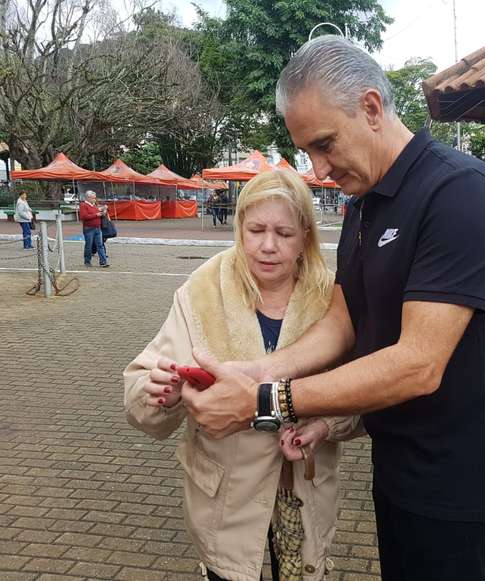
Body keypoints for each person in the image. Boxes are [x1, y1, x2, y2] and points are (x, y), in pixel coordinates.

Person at [181, 35, 485, 581]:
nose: (319, 169)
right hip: (399, 465)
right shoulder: (364, 206)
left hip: (461, 481)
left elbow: (419, 364)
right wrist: (260, 368)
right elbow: (342, 321)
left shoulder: (459, 194)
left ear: (371, 108)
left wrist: (264, 399)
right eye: (308, 152)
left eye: (326, 144)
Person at [124, 168, 358, 581]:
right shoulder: (202, 291)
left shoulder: (333, 299)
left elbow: (361, 392)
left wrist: (325, 424)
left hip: (304, 489)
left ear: (306, 235)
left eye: (284, 233)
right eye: (256, 230)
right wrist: (159, 391)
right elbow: (140, 391)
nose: (268, 246)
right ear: (239, 229)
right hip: (225, 500)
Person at [79, 190, 109, 267]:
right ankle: (87, 261)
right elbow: (83, 217)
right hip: (89, 228)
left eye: (95, 198)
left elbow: (97, 212)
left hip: (97, 228)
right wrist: (96, 215)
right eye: (93, 198)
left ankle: (103, 261)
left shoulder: (94, 205)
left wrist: (103, 211)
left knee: (100, 245)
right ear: (88, 198)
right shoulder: (83, 205)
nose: (94, 200)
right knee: (89, 245)